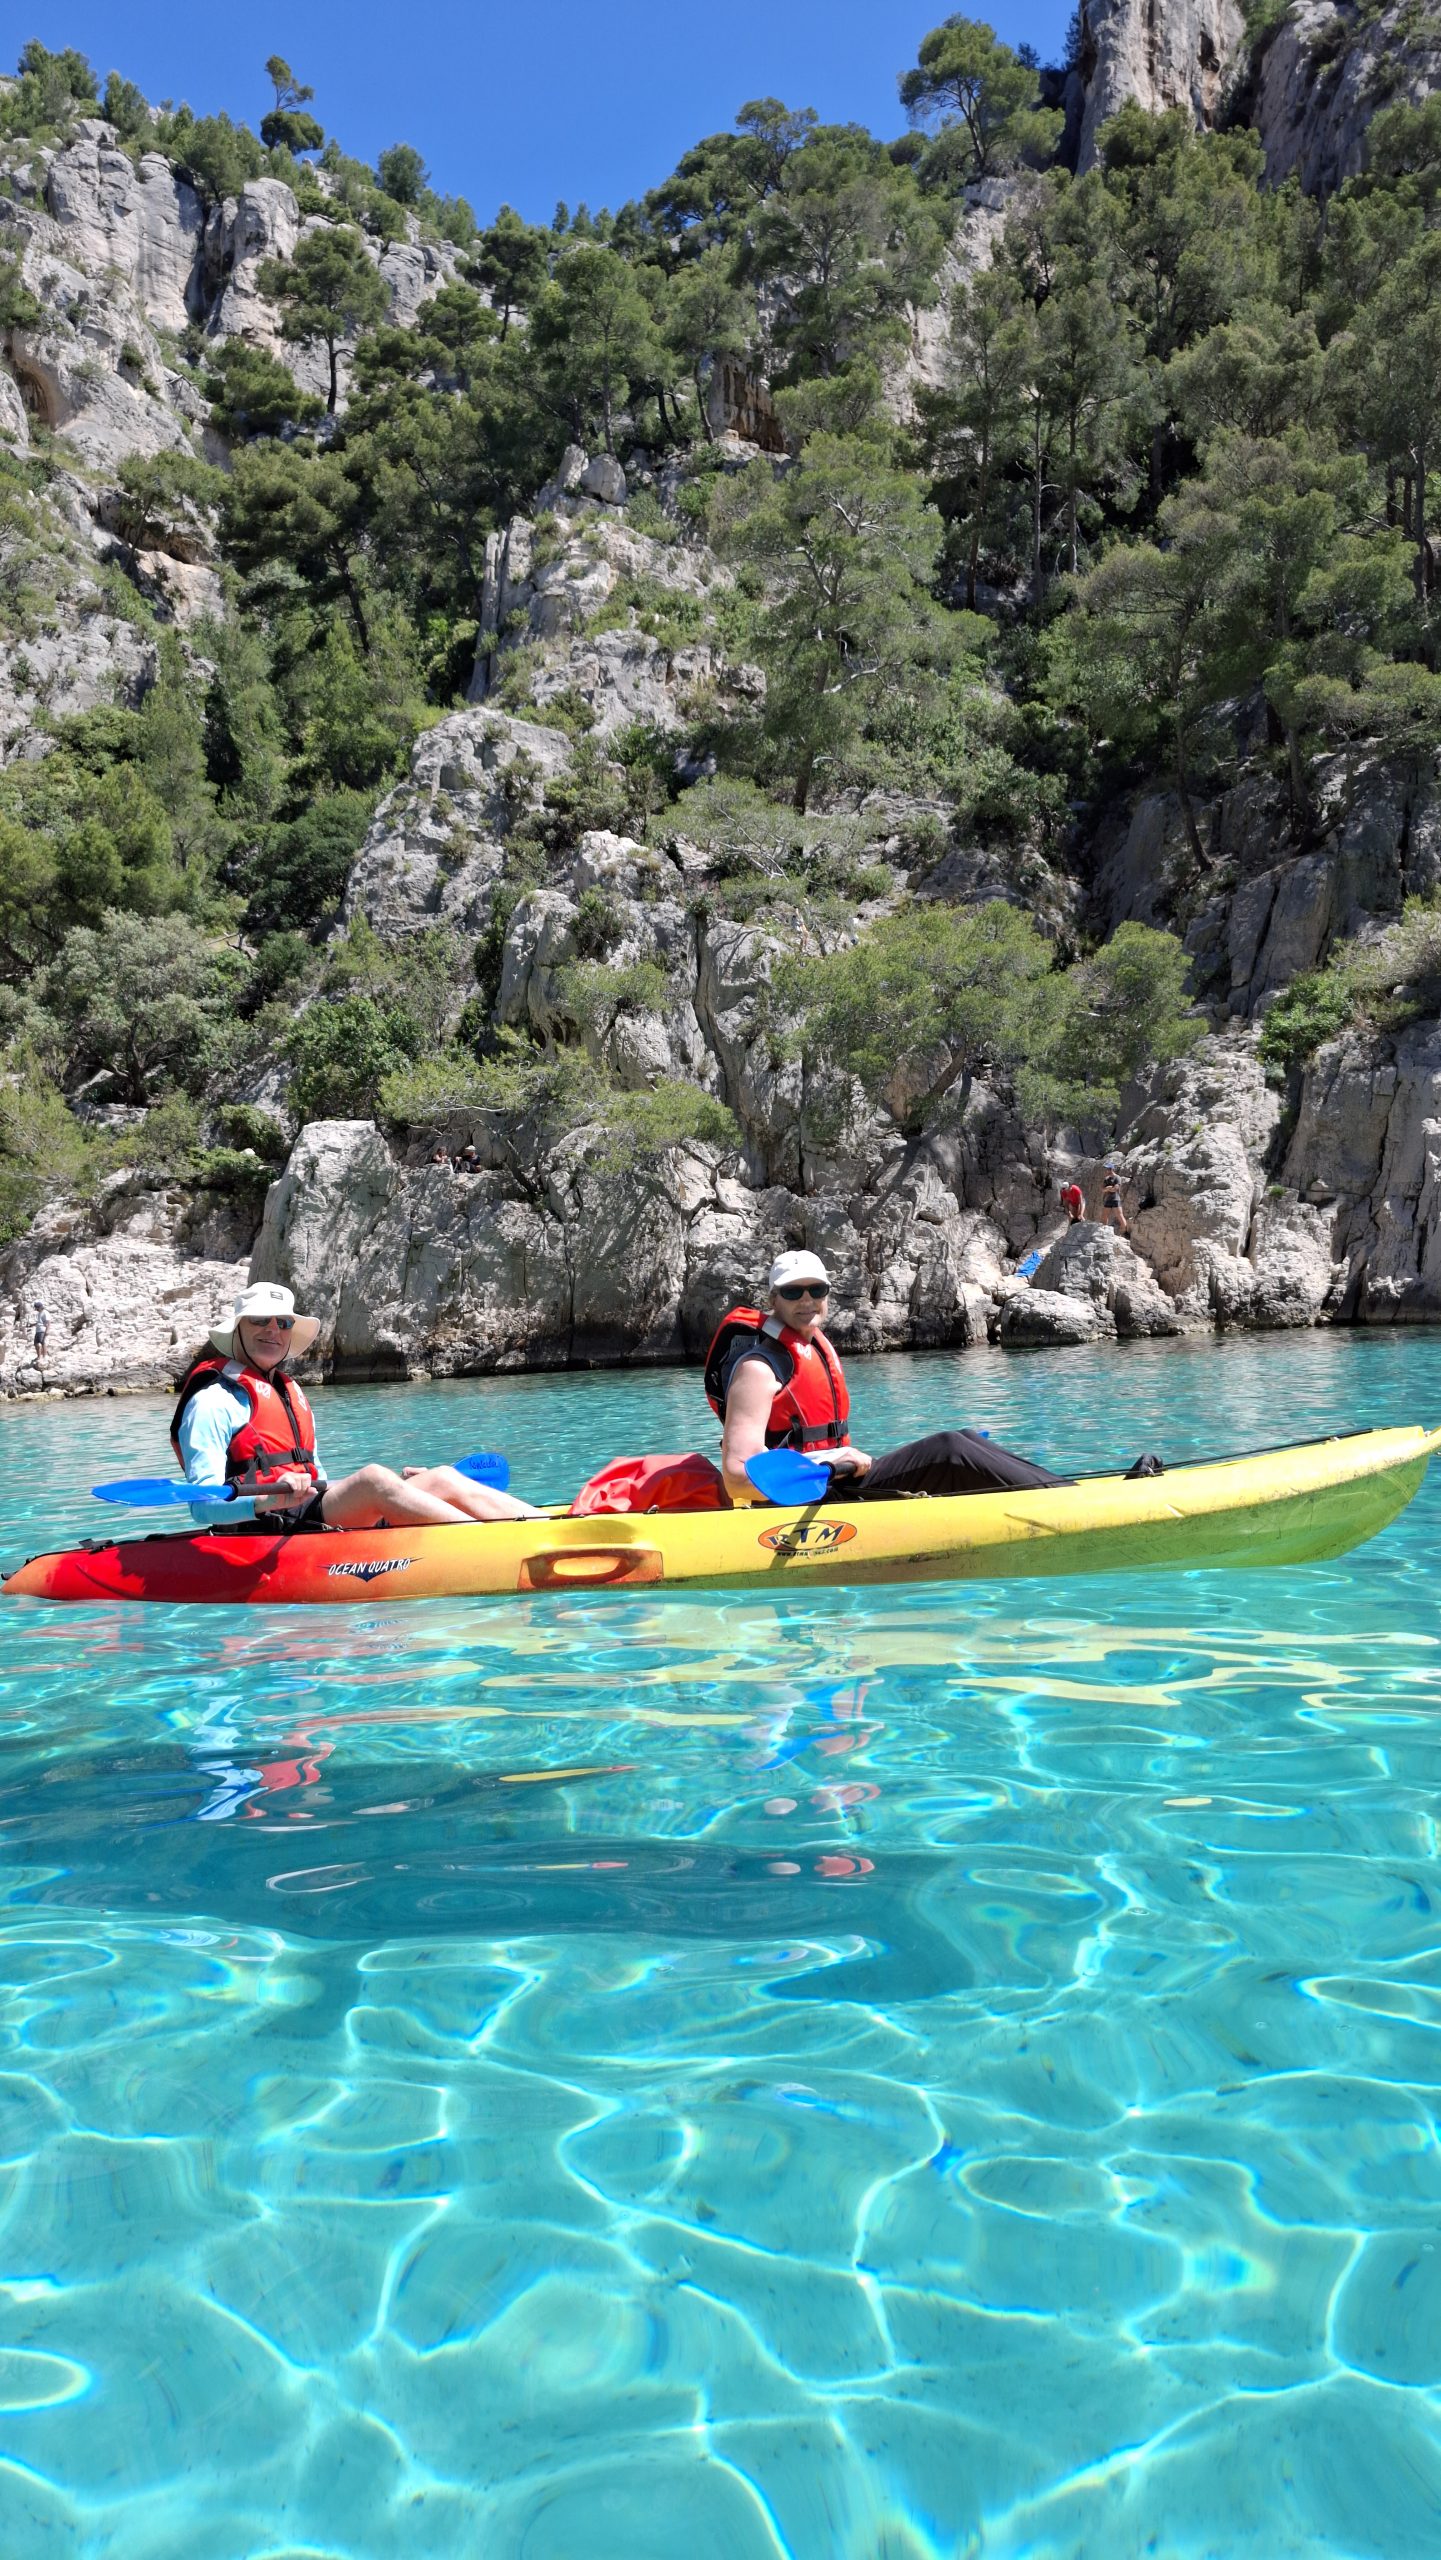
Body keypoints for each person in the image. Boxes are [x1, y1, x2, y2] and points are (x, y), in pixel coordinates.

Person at [171, 1281, 545, 1531]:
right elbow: (202, 1506)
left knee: (442, 1477)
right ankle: (496, 1546)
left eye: (283, 1322)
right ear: (238, 1329)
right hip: (263, 1524)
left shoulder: (289, 1393)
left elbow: (316, 1482)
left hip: (307, 1513)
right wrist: (268, 1498)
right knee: (373, 1479)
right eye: (259, 1321)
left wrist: (402, 1491)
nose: (273, 1329)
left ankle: (554, 1527)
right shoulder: (212, 1402)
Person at [706, 1251, 1070, 1506]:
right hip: (799, 1501)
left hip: (839, 1485)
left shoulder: (813, 1349)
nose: (806, 1300)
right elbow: (737, 1477)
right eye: (792, 1292)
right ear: (774, 1298)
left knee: (965, 1438)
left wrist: (837, 1461)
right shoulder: (758, 1369)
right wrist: (830, 1462)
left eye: (816, 1290)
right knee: (949, 1450)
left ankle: (1065, 1492)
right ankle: (1065, 1502)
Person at [1100, 1164, 1130, 1235]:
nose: (1106, 1171)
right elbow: (1102, 1189)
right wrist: (1108, 1188)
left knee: (1120, 1216)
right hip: (1108, 1199)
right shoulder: (1106, 1179)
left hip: (1116, 1199)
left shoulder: (1117, 1178)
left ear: (1111, 1169)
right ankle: (1104, 1232)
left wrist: (1108, 1188)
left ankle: (1124, 1232)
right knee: (1104, 1216)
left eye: (1107, 1169)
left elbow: (1115, 1189)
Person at [32, 1300, 47, 1368]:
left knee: (42, 1343)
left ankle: (44, 1356)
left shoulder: (45, 1313)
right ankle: (39, 1356)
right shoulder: (39, 1313)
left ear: (39, 1307)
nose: (36, 1309)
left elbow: (48, 1322)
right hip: (38, 1330)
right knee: (36, 1343)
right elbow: (39, 1322)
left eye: (37, 1308)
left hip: (42, 1330)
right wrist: (32, 1325)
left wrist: (47, 1330)